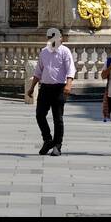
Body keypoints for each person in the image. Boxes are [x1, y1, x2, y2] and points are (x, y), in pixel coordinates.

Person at [27, 28, 77, 156]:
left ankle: (57, 145)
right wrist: (32, 87)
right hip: (45, 88)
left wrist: (68, 85)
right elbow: (38, 71)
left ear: (61, 38)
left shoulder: (65, 52)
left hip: (59, 88)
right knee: (40, 115)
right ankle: (48, 139)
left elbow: (71, 70)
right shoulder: (44, 52)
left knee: (58, 118)